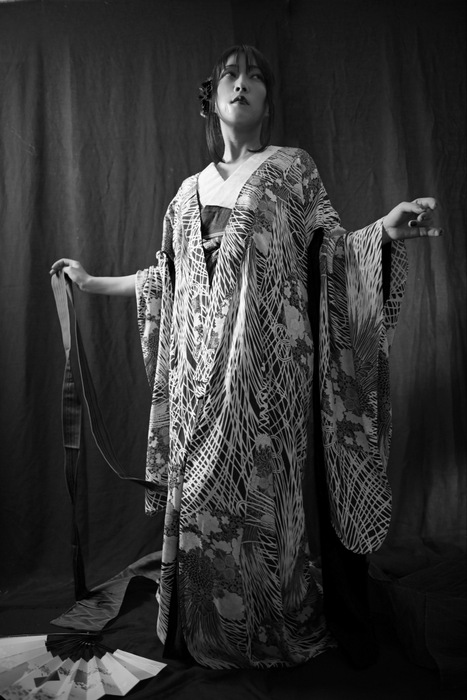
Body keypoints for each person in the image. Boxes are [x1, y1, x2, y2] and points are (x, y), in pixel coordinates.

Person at [50, 45, 442, 670]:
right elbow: (167, 280)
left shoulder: (291, 170)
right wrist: (91, 283)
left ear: (266, 101)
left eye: (255, 77)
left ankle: (270, 629)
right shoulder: (186, 194)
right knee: (202, 509)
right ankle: (205, 632)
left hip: (268, 376)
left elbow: (334, 254)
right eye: (231, 75)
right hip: (196, 384)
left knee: (264, 507)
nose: (243, 84)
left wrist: (384, 233)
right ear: (212, 97)